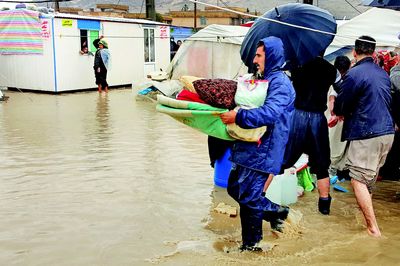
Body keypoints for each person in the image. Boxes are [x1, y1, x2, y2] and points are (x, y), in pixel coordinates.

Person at [220, 36, 295, 251]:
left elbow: (271, 112)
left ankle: (251, 247)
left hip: (264, 148)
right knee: (235, 188)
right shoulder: (263, 78)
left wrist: (238, 117)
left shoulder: (280, 82)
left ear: (271, 57)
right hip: (248, 145)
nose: (255, 60)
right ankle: (275, 212)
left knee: (250, 198)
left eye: (259, 55)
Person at [334, 36, 395, 237]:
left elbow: (342, 105)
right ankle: (368, 221)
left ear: (354, 52)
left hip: (367, 132)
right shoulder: (383, 74)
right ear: (374, 52)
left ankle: (373, 229)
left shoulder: (354, 73)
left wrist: (340, 109)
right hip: (387, 133)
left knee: (358, 180)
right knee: (368, 180)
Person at [280, 52, 338, 215]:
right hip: (318, 119)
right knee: (321, 167)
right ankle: (324, 209)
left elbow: (285, 86)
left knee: (282, 160)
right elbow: (340, 88)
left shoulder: (296, 64)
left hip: (297, 116)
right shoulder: (330, 69)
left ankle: (266, 198)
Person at [328, 55, 352, 180]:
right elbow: (332, 98)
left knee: (334, 143)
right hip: (337, 118)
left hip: (334, 118)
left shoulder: (330, 77)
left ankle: (333, 168)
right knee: (337, 143)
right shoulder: (345, 80)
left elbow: (332, 98)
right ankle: (334, 168)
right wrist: (336, 113)